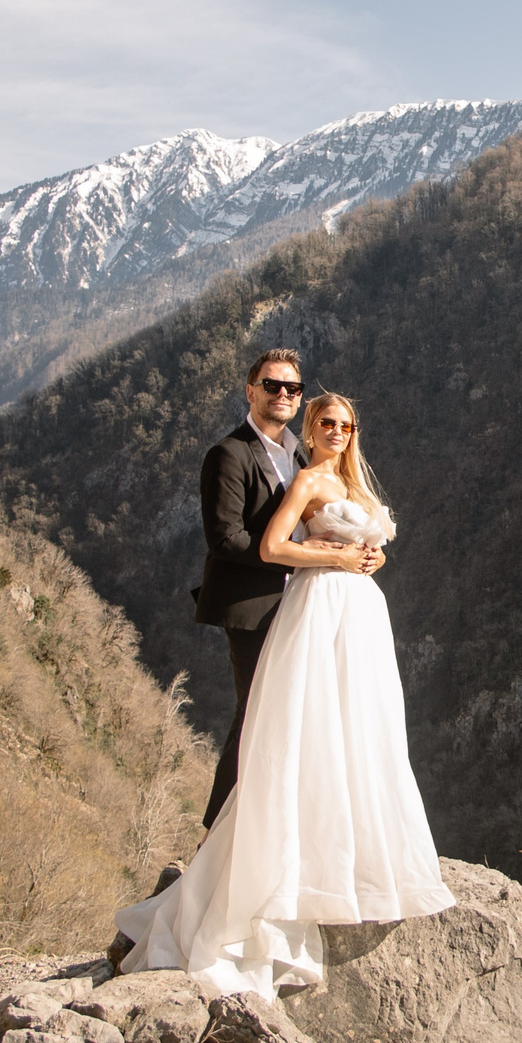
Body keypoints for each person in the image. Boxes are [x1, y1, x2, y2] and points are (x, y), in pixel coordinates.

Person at [116, 392, 455, 998]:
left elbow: (365, 544)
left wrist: (369, 556)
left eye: (346, 425)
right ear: (310, 427)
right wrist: (331, 554)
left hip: (360, 613)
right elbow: (272, 547)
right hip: (321, 604)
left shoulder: (353, 481)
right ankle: (285, 873)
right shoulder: (306, 480)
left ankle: (360, 852)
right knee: (314, 728)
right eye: (326, 423)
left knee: (363, 726)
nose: (336, 432)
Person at [190, 349, 376, 829]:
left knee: (304, 714)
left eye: (292, 388)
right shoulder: (228, 454)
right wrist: (309, 556)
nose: (282, 395)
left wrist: (360, 553)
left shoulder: (302, 452)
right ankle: (217, 838)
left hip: (310, 603)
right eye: (271, 386)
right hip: (254, 604)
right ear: (250, 392)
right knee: (256, 715)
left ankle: (292, 832)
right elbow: (226, 538)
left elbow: (326, 517)